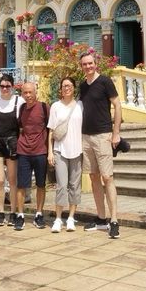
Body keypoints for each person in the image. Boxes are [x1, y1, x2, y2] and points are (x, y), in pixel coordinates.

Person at [79, 51, 123, 239]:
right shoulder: (82, 86)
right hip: (86, 137)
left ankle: (114, 220)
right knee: (94, 177)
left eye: (90, 63)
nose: (88, 67)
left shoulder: (104, 81)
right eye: (84, 64)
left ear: (95, 63)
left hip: (103, 136)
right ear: (81, 66)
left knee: (107, 177)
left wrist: (116, 133)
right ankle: (101, 217)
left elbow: (117, 105)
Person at [0, 73, 24, 227]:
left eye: (8, 86)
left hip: (12, 142)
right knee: (0, 179)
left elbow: (23, 124)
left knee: (13, 179)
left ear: (13, 87)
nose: (5, 89)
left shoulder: (19, 101)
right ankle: (1, 212)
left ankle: (13, 212)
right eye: (2, 86)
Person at [47, 76, 83, 233]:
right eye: (64, 86)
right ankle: (58, 219)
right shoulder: (56, 106)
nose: (66, 88)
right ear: (60, 89)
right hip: (60, 150)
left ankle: (70, 218)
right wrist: (50, 151)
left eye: (69, 85)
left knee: (74, 186)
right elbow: (51, 131)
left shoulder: (81, 106)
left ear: (74, 88)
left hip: (77, 150)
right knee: (61, 185)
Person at [12, 82, 49, 231]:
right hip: (23, 152)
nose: (28, 95)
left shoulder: (44, 108)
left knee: (41, 184)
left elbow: (50, 128)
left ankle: (39, 213)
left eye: (30, 92)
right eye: (25, 93)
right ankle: (20, 215)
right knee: (21, 185)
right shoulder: (21, 108)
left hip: (40, 151)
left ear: (35, 92)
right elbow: (20, 127)